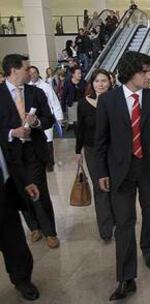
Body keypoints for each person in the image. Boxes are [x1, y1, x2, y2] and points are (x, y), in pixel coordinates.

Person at [95, 51, 150, 301]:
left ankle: (148, 248)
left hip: (149, 168)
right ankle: (126, 278)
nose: (149, 76)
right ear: (131, 73)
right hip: (120, 171)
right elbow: (101, 141)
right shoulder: (108, 101)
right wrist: (101, 172)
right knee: (124, 222)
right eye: (145, 71)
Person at [0, 54, 58, 248]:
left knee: (39, 190)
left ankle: (50, 231)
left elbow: (48, 119)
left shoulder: (36, 92)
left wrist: (37, 122)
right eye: (26, 68)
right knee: (21, 191)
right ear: (14, 71)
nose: (29, 71)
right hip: (11, 154)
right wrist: (11, 132)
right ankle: (33, 227)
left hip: (34, 150)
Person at [0, 135, 41, 301]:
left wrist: (25, 181)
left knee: (14, 240)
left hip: (5, 188)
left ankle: (22, 279)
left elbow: (9, 153)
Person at [76, 69, 114, 241]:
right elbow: (80, 129)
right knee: (100, 187)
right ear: (92, 83)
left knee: (115, 186)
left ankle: (116, 218)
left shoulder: (117, 101)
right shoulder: (84, 104)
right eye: (97, 81)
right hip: (93, 151)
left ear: (110, 82)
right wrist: (78, 151)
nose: (100, 84)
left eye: (104, 81)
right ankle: (105, 229)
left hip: (114, 151)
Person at [28, 66, 63, 172]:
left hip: (46, 118)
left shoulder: (46, 86)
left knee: (48, 140)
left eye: (34, 72)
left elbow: (54, 101)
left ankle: (50, 163)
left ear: (38, 73)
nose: (32, 75)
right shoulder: (27, 88)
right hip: (31, 119)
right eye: (30, 73)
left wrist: (58, 117)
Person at [63, 66, 87, 131]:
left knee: (82, 122)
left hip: (82, 104)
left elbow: (87, 94)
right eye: (78, 73)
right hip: (72, 105)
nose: (80, 75)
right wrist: (63, 109)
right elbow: (64, 96)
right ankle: (77, 137)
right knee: (75, 124)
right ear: (73, 74)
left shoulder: (83, 82)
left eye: (81, 73)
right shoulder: (67, 83)